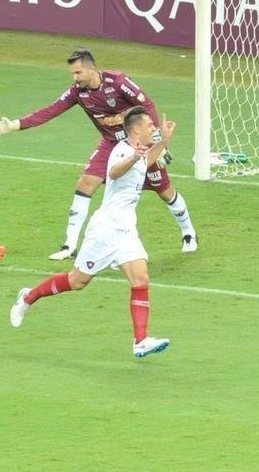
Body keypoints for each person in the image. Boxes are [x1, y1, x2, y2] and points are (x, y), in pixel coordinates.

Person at [0, 48, 197, 260]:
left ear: (91, 68)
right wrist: (15, 125)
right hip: (110, 144)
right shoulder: (77, 93)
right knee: (85, 183)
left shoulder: (117, 82)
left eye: (78, 73)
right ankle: (70, 245)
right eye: (72, 73)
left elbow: (146, 103)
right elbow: (51, 110)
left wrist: (157, 141)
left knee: (164, 191)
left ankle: (189, 233)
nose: (75, 78)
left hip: (137, 143)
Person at [10, 108, 174, 358]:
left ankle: (140, 341)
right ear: (136, 129)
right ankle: (28, 297)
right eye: (149, 124)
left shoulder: (139, 153)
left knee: (141, 281)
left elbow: (146, 161)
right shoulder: (122, 149)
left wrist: (163, 142)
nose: (153, 127)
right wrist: (134, 157)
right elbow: (113, 172)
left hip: (127, 230)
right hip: (105, 231)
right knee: (77, 281)